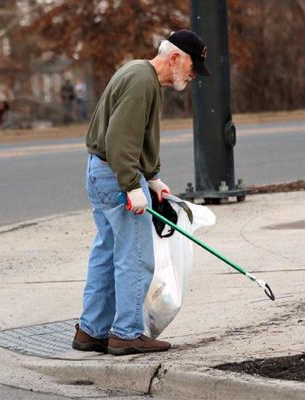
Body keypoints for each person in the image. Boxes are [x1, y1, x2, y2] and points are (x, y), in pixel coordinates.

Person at [72, 30, 210, 356]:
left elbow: (137, 136)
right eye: (192, 67)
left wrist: (152, 178)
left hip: (102, 173)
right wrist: (133, 186)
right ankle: (127, 333)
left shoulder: (140, 73)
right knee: (135, 258)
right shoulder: (141, 82)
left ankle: (91, 331)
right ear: (175, 57)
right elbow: (121, 139)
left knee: (107, 255)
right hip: (116, 177)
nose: (193, 76)